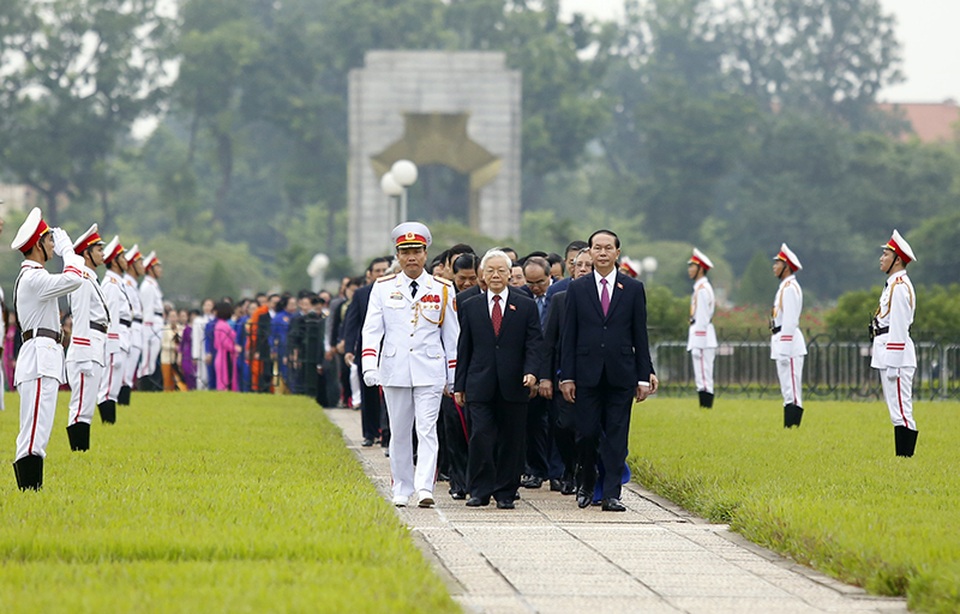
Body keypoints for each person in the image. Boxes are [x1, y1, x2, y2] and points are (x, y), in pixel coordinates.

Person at [361, 222, 459, 508]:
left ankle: (424, 487)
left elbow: (452, 336)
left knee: (427, 430)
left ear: (426, 253)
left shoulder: (442, 288)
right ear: (397, 255)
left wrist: (453, 375)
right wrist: (369, 364)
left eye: (416, 251)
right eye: (405, 252)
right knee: (400, 431)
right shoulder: (383, 288)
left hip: (430, 368)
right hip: (395, 368)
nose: (411, 257)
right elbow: (372, 330)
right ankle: (402, 487)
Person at [560, 229, 658, 512]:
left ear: (617, 252)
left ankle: (612, 493)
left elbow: (640, 334)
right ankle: (587, 482)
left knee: (616, 437)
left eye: (607, 248)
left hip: (621, 374)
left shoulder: (633, 289)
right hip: (586, 373)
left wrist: (644, 375)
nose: (602, 253)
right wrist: (567, 376)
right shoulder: (577, 289)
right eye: (597, 248)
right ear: (589, 253)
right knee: (587, 434)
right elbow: (569, 335)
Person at [455, 249, 541, 509]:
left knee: (512, 440)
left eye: (501, 270)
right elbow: (464, 348)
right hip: (479, 383)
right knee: (481, 436)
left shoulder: (525, 304)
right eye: (490, 270)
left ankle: (505, 491)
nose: (495, 275)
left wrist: (532, 371)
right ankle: (479, 490)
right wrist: (459, 385)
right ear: (482, 274)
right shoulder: (470, 306)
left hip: (514, 383)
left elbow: (534, 342)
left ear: (510, 273)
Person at [10, 208, 84, 490]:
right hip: (40, 356)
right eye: (49, 240)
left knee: (38, 427)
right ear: (38, 245)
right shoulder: (33, 277)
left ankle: (31, 489)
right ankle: (29, 490)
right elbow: (74, 279)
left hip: (43, 354)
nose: (53, 244)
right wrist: (70, 253)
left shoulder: (34, 276)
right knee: (34, 431)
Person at [539, 247, 593, 496]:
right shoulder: (560, 298)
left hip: (592, 376)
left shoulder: (603, 298)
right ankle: (569, 467)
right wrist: (546, 377)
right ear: (571, 267)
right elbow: (549, 341)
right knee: (563, 425)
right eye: (578, 264)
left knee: (589, 430)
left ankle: (585, 472)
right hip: (564, 375)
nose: (583, 269)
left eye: (588, 265)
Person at [871, 230, 919, 457]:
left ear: (897, 259)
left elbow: (899, 326)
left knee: (901, 408)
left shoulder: (899, 286)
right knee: (896, 409)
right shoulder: (892, 284)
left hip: (896, 356)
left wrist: (893, 362)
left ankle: (906, 457)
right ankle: (903, 456)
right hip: (888, 353)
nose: (881, 258)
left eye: (886, 254)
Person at [65, 224, 109, 448]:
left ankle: (82, 450)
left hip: (95, 342)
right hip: (87, 344)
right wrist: (82, 354)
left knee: (87, 404)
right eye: (98, 249)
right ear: (86, 253)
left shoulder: (91, 278)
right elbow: (80, 317)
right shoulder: (82, 279)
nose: (103, 253)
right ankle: (78, 452)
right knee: (81, 404)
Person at [342, 256, 392, 447]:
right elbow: (352, 323)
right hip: (368, 348)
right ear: (369, 274)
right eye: (377, 271)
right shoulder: (362, 294)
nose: (381, 274)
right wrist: (349, 349)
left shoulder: (395, 290)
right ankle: (370, 433)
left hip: (389, 348)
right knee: (368, 391)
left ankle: (386, 432)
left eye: (384, 270)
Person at [520, 256, 553, 490]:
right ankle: (535, 470)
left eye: (539, 282)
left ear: (549, 277)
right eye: (530, 282)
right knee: (532, 424)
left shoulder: (559, 297)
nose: (535, 287)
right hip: (529, 370)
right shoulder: (520, 298)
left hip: (554, 367)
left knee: (558, 424)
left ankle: (559, 472)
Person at [770, 243, 807, 428]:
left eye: (777, 263)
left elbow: (790, 321)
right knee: (787, 387)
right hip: (782, 340)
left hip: (789, 344)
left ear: (787, 266)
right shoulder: (785, 287)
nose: (774, 266)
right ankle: (789, 427)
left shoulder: (790, 288)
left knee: (792, 388)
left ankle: (792, 427)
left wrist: (784, 348)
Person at [97, 236, 131, 425]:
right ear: (115, 261)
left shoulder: (117, 283)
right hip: (116, 337)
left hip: (123, 334)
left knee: (114, 384)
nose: (126, 261)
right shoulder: (110, 284)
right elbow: (111, 317)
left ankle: (110, 422)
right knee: (108, 385)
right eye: (122, 257)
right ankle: (108, 423)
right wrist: (113, 345)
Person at [686, 248, 718, 409]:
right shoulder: (700, 288)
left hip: (703, 337)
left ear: (700, 269)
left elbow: (703, 318)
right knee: (702, 374)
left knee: (704, 375)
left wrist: (698, 341)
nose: (689, 269)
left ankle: (706, 407)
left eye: (693, 266)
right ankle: (704, 407)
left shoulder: (703, 290)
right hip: (700, 335)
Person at [119, 244, 144, 405]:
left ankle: (124, 402)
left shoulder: (132, 284)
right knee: (125, 371)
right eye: (140, 263)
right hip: (130, 326)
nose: (143, 266)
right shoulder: (126, 284)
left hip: (136, 326)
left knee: (130, 367)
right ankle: (122, 403)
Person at [139, 251, 164, 390]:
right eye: (157, 267)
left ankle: (151, 387)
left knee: (153, 359)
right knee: (148, 361)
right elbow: (147, 309)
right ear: (150, 269)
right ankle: (145, 388)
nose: (160, 270)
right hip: (151, 325)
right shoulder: (147, 286)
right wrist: (148, 331)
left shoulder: (153, 285)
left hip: (157, 323)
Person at [213, 300, 239, 391]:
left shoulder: (219, 324)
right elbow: (225, 343)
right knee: (226, 380)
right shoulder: (223, 326)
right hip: (226, 357)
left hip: (221, 355)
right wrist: (235, 348)